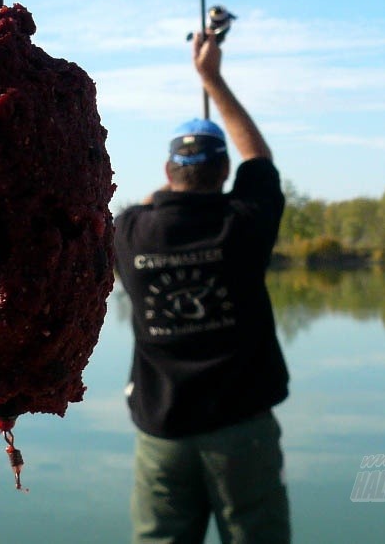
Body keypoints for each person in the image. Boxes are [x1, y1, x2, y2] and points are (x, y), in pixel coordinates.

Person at [113, 30, 291, 544]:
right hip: (242, 430)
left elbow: (147, 205)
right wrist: (211, 78)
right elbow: (259, 160)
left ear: (169, 171)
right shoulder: (245, 221)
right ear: (224, 172)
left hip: (161, 434)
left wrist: (161, 197)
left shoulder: (128, 230)